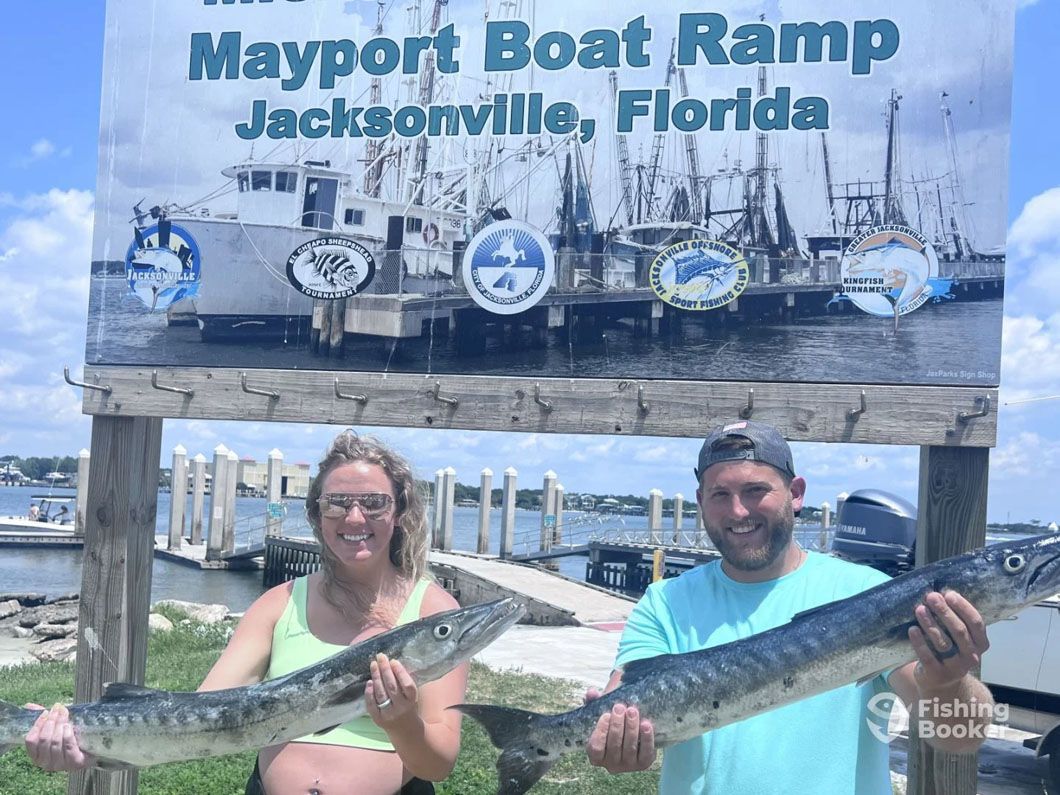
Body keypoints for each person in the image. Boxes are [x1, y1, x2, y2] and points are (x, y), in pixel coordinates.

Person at [25, 432, 465, 795]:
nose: (354, 517)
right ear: (317, 514)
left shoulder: (434, 614)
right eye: (337, 503)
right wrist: (77, 740)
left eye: (374, 502)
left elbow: (439, 763)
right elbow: (196, 716)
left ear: (401, 511)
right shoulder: (278, 604)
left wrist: (404, 724)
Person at [585, 420, 995, 794]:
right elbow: (621, 704)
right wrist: (613, 740)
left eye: (755, 491)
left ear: (796, 494)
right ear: (701, 500)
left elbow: (958, 737)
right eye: (720, 495)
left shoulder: (869, 593)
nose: (738, 511)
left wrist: (946, 684)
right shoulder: (665, 603)